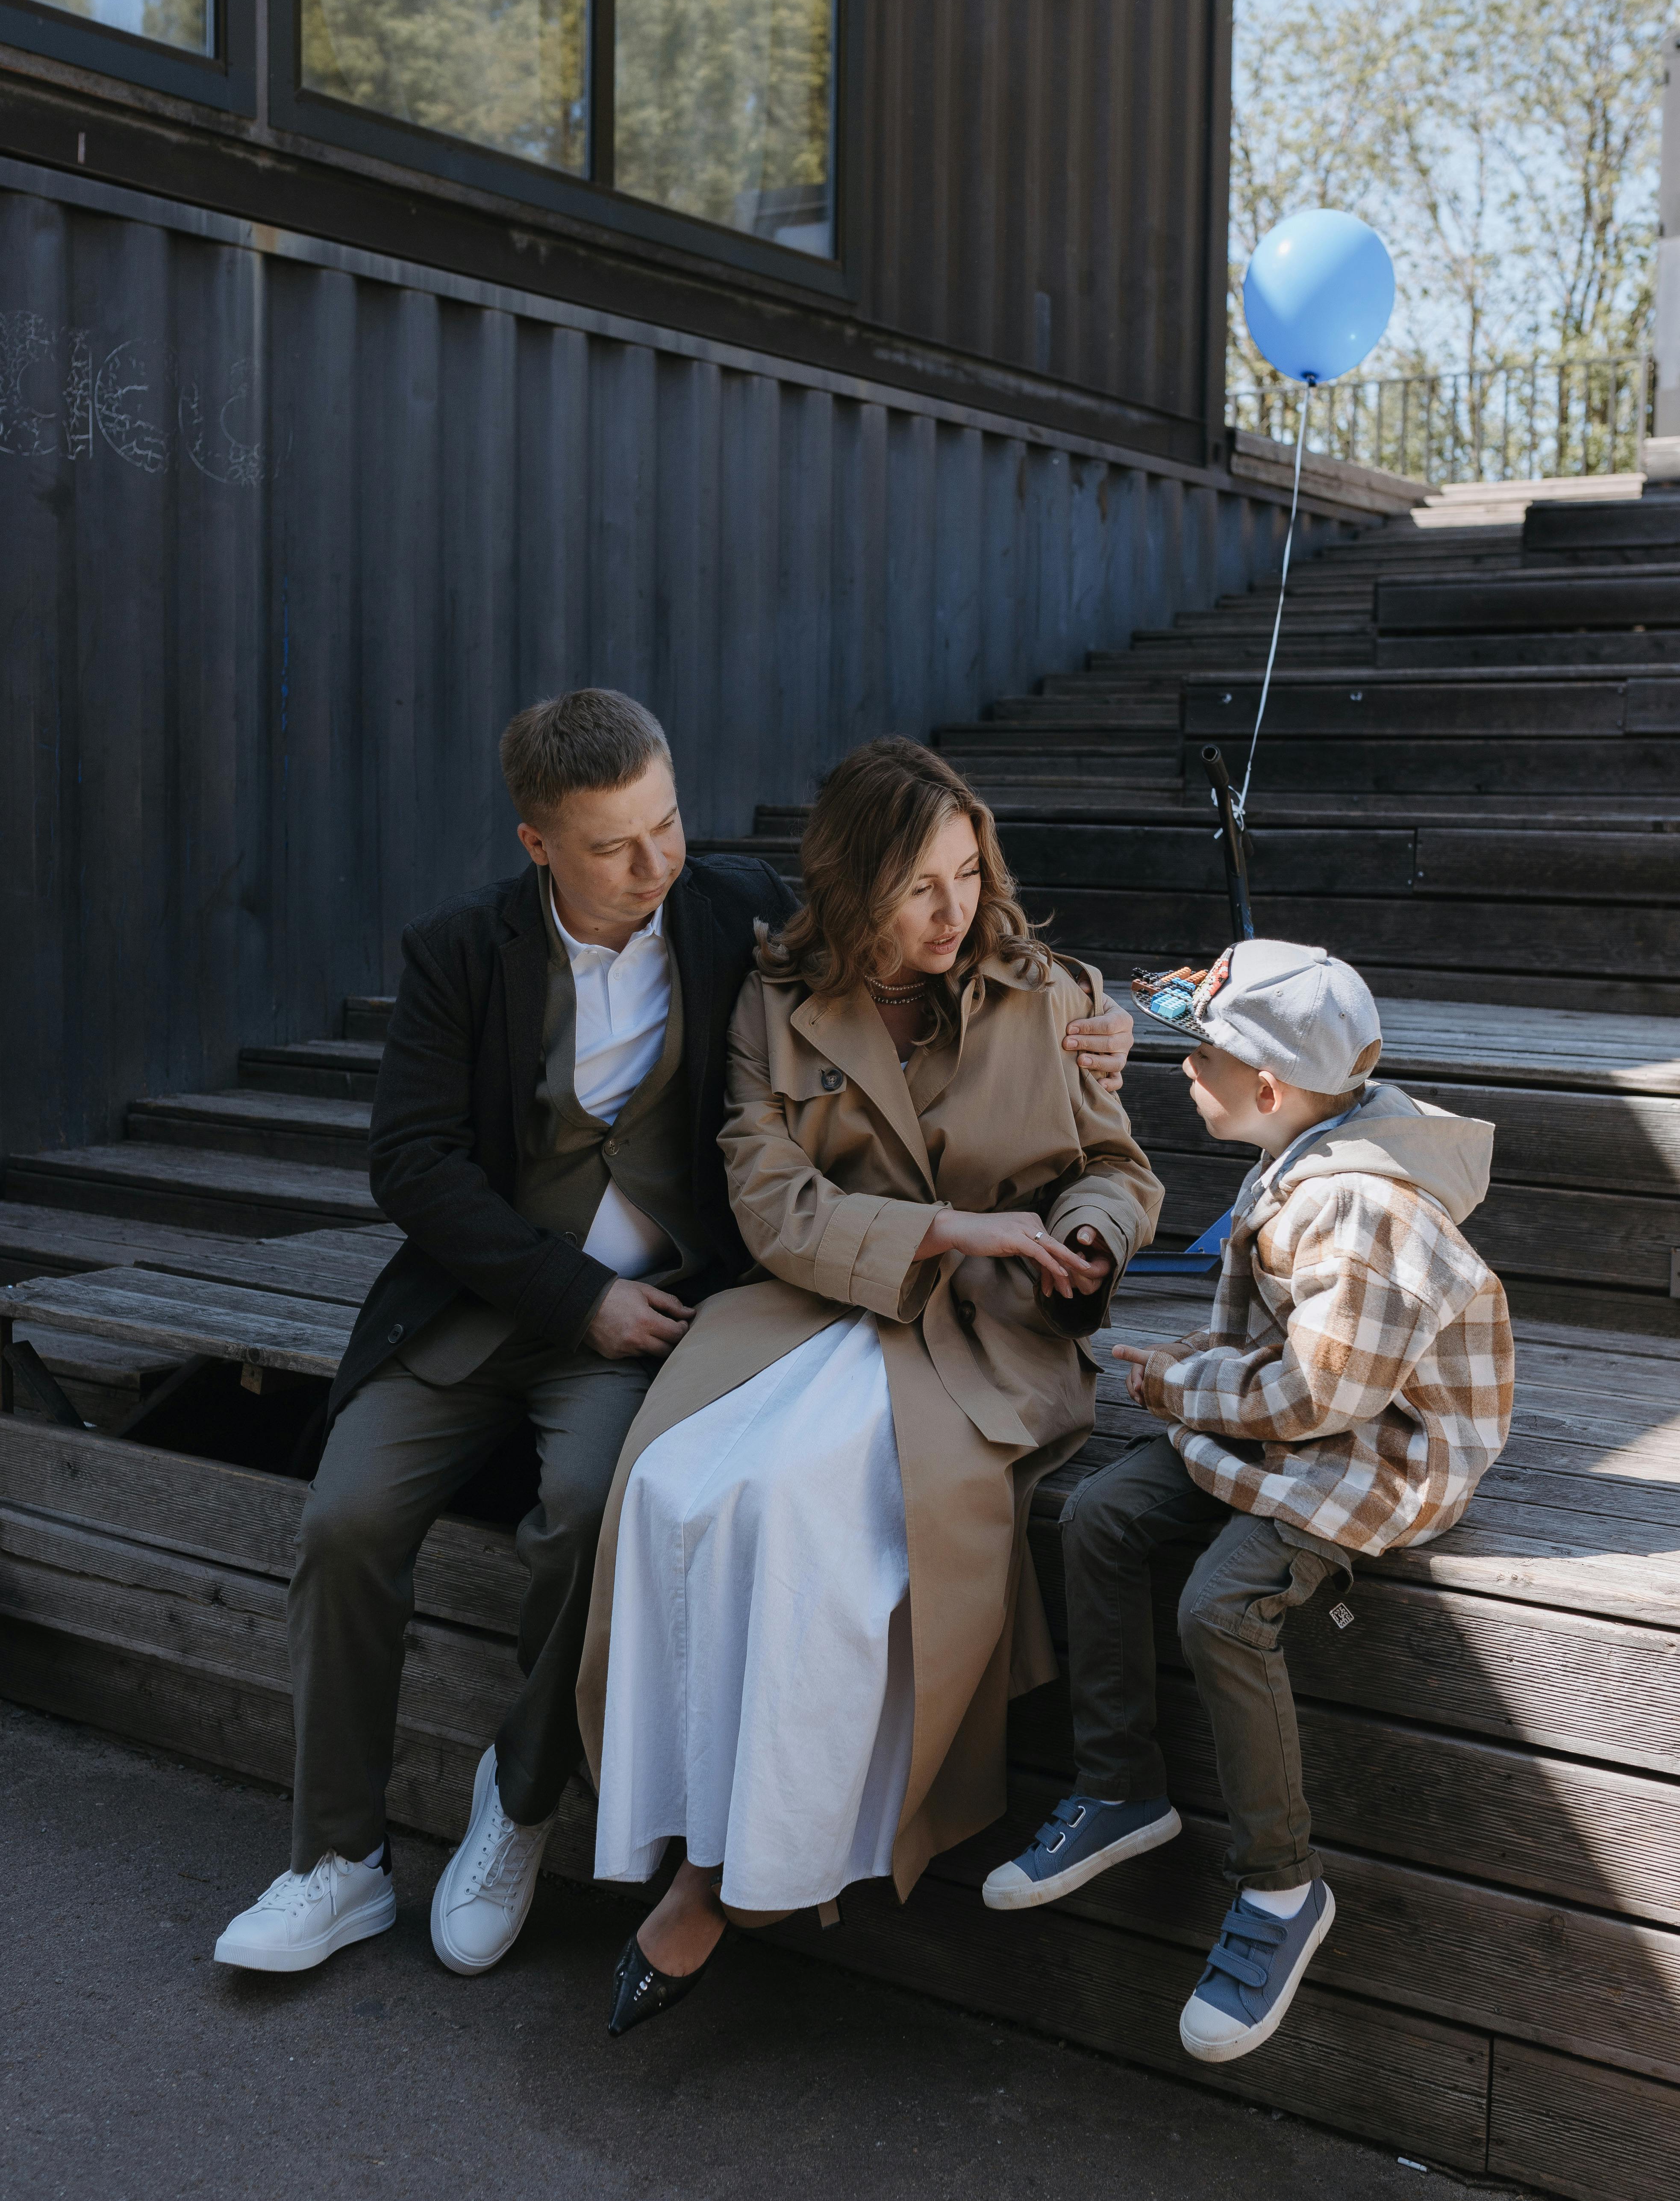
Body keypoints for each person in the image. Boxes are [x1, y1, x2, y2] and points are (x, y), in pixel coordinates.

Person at [213, 693, 1138, 1976]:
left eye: (669, 826)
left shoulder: (731, 916)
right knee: (344, 1521)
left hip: (658, 1327)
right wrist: (569, 1293)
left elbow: (960, 960)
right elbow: (413, 1168)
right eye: (615, 846)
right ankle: (336, 1860)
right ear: (539, 843)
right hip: (486, 1308)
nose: (657, 866)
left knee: (603, 1502)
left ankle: (521, 1803)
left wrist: (1120, 1026)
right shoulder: (458, 954)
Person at [577, 736, 1165, 2036]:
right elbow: (771, 1204)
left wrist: (1087, 1235)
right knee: (678, 1486)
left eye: (967, 874)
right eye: (917, 889)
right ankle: (685, 1811)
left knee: (802, 1517)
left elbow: (1116, 1169)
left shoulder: (1051, 993)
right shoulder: (773, 1001)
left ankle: (726, 1880)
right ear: (851, 892)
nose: (953, 911)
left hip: (990, 1334)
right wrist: (954, 1231)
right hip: (814, 1305)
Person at [983, 940, 1515, 2066]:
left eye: (1201, 1055)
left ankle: (1280, 1890)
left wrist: (1182, 1382)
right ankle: (1121, 1786)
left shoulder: (1356, 1209)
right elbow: (1298, 1355)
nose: (1184, 1071)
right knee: (1097, 1517)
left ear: (1266, 1089)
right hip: (1299, 1415)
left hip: (1382, 1449)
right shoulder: (1302, 1146)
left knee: (1220, 1606)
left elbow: (1326, 1393)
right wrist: (1206, 1370)